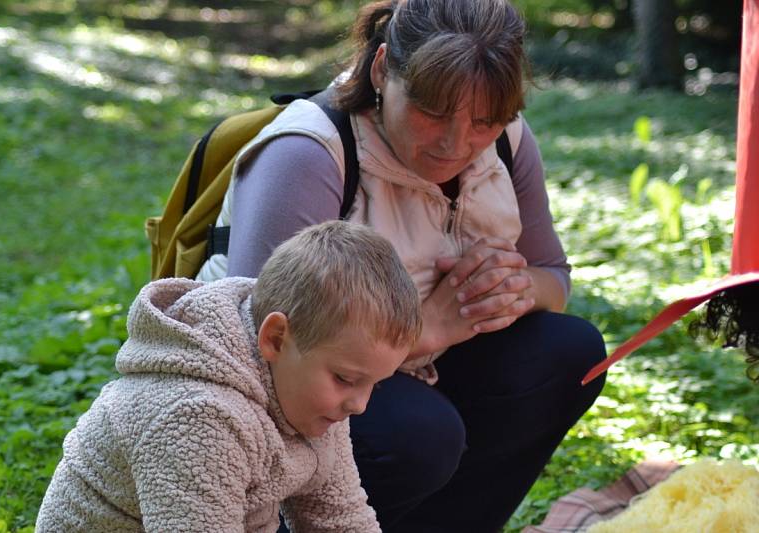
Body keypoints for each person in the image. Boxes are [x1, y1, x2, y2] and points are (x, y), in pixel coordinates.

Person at [198, 0, 607, 530]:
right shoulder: (309, 153)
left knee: (568, 352)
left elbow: (553, 275)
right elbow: (264, 353)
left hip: (421, 362)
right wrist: (431, 324)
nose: (454, 145)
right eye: (432, 111)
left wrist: (513, 288)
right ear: (382, 68)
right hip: (287, 391)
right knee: (420, 434)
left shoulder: (507, 140)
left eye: (483, 121)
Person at [35, 221, 422, 533]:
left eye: (375, 383)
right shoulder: (196, 416)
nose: (360, 404)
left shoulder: (310, 394)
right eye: (345, 378)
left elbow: (339, 519)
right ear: (275, 338)